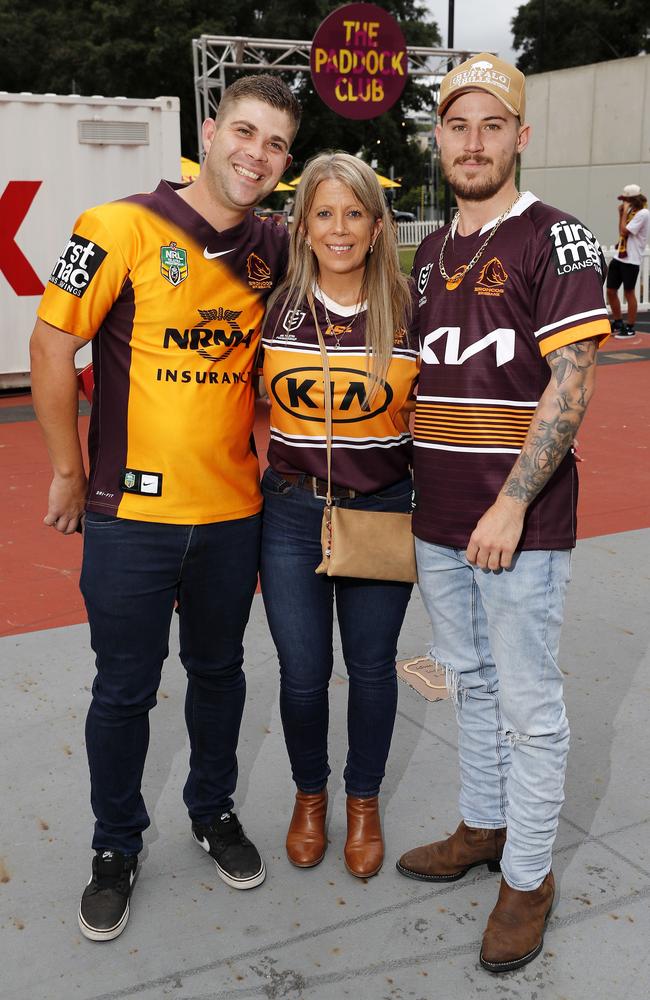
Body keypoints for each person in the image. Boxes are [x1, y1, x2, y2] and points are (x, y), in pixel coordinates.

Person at [29, 73, 301, 942]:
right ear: (211, 129)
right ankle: (115, 846)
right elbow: (51, 340)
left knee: (220, 676)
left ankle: (212, 811)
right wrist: (68, 471)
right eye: (246, 133)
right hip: (128, 517)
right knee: (124, 689)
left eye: (277, 145)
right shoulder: (116, 227)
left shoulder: (276, 248)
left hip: (231, 515)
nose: (257, 155)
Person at [395, 53, 610, 973]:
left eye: (493, 126)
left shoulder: (556, 237)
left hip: (513, 523)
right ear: (438, 138)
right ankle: (483, 826)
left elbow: (573, 381)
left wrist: (513, 506)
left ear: (521, 137)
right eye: (458, 125)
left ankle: (528, 876)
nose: (474, 143)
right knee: (469, 682)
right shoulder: (433, 248)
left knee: (529, 702)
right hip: (436, 513)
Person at [259, 152, 418, 878]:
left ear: (379, 227)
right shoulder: (276, 303)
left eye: (354, 213)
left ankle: (362, 803)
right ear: (303, 225)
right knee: (302, 672)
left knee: (372, 670)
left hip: (382, 511)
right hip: (291, 513)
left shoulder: (411, 310)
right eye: (324, 213)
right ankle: (310, 798)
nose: (340, 228)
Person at [606, 183, 649, 338]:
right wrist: (622, 214)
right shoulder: (632, 212)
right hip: (621, 256)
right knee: (610, 290)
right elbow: (622, 232)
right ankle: (618, 322)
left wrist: (623, 213)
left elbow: (626, 230)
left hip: (632, 259)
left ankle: (630, 326)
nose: (623, 203)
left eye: (626, 200)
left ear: (633, 199)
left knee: (629, 292)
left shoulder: (643, 213)